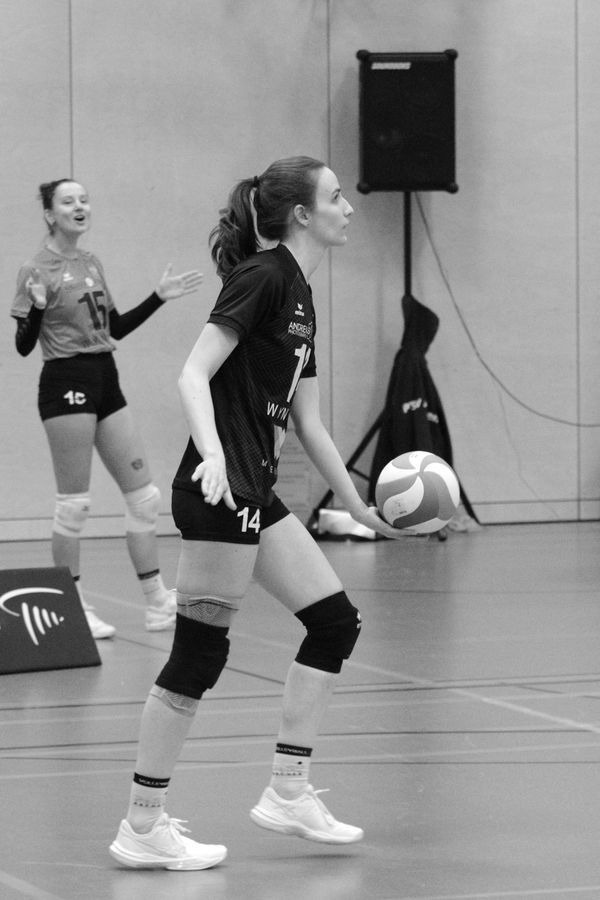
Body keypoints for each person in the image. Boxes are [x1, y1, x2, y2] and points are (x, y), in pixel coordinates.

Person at [109, 156, 401, 870]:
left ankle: (288, 790)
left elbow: (309, 423)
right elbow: (192, 372)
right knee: (198, 655)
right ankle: (142, 824)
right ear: (301, 213)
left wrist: (359, 506)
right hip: (220, 492)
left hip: (254, 492)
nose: (348, 208)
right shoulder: (263, 277)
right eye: (336, 197)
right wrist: (211, 454)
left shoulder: (300, 293)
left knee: (334, 623)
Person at [11, 179, 204, 639]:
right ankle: (73, 606)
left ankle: (157, 602)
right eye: (68, 201)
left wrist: (158, 297)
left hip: (105, 378)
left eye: (84, 199)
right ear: (50, 214)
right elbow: (23, 345)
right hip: (66, 382)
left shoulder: (91, 262)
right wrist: (36, 308)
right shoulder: (35, 268)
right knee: (74, 505)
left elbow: (113, 327)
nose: (79, 206)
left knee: (144, 497)